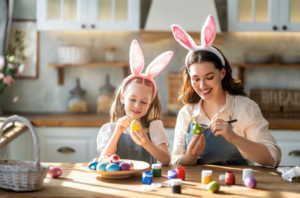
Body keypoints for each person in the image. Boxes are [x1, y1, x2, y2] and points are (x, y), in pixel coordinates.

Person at [170, 15, 281, 167]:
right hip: (198, 187)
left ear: (222, 73)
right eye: (195, 79)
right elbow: (176, 162)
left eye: (209, 77)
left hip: (240, 186)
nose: (202, 85)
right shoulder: (186, 113)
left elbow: (273, 159)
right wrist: (191, 156)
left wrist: (234, 137)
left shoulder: (245, 108)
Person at [97, 40, 173, 165]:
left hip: (148, 181)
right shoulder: (110, 129)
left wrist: (146, 143)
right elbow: (103, 161)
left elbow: (166, 160)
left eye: (144, 102)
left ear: (150, 104)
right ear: (122, 98)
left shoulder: (154, 127)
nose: (137, 105)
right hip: (121, 182)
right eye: (132, 100)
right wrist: (117, 133)